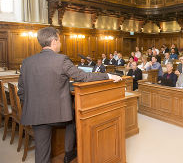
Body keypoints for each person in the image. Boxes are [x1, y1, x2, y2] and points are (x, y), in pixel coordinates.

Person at [17, 27, 122, 163]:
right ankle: (69, 153)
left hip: (36, 114)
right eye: (59, 40)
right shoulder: (61, 60)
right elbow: (83, 77)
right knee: (74, 119)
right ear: (54, 41)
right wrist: (108, 75)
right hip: (57, 115)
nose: (60, 43)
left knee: (41, 153)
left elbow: (21, 91)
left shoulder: (27, 62)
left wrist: (33, 105)